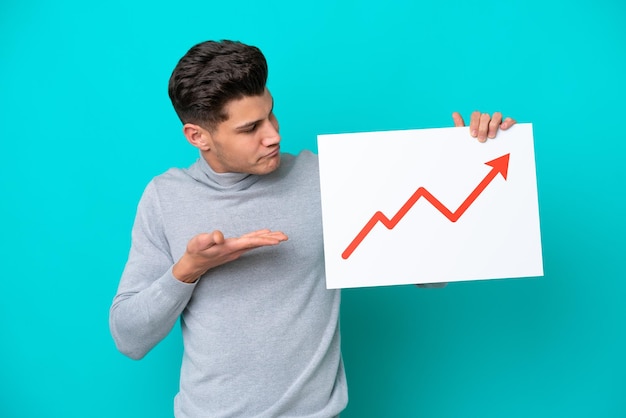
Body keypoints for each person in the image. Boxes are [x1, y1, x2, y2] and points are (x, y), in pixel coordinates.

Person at [109, 40, 516, 418]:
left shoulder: (323, 178)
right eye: (250, 128)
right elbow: (129, 337)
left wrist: (466, 162)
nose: (273, 135)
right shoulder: (165, 198)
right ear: (198, 136)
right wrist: (188, 270)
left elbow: (430, 277)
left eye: (270, 113)